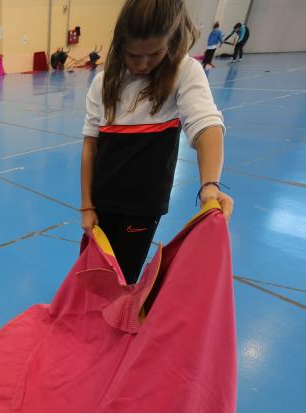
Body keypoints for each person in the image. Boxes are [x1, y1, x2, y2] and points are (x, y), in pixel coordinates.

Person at [80, 0, 234, 284]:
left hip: (142, 206)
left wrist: (210, 185)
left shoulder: (184, 72)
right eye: (132, 55)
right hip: (102, 201)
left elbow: (206, 125)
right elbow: (91, 145)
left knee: (124, 278)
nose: (142, 64)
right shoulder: (103, 82)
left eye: (154, 54)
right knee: (94, 274)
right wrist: (87, 206)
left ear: (171, 42)